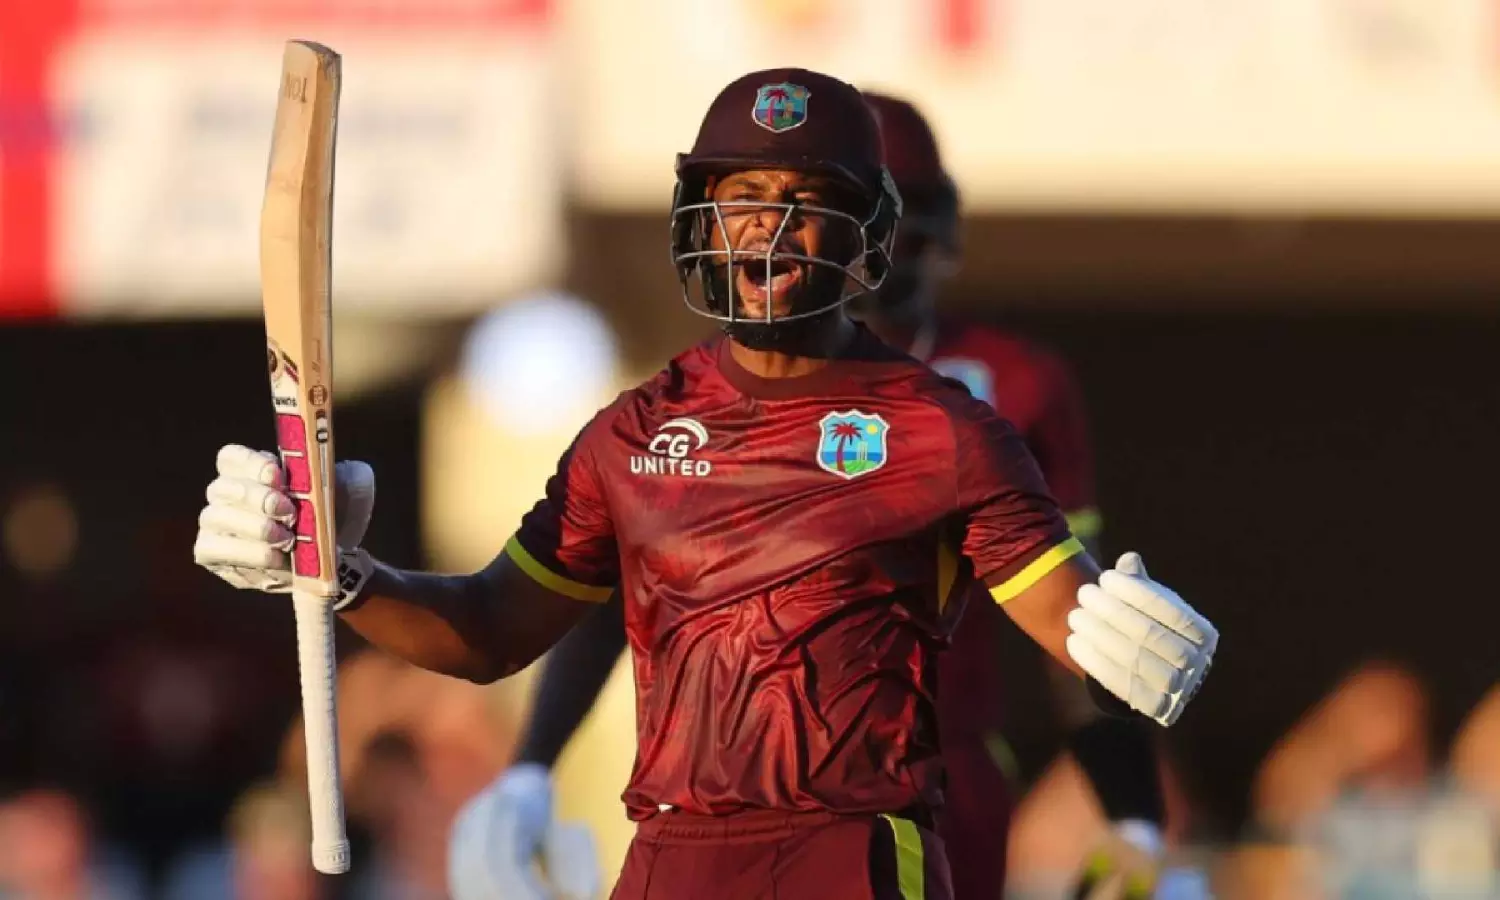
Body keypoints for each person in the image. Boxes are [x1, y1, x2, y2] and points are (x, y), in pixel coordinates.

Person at [194, 67, 1218, 899]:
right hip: (672, 857)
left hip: (854, 854)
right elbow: (491, 628)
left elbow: (1071, 625)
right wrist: (338, 572)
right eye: (743, 200)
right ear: (700, 218)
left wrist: (1133, 659)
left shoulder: (946, 429)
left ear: (865, 233)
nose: (768, 230)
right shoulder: (631, 432)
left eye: (806, 204)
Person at [445, 89, 1181, 900]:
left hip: (932, 776)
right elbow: (618, 582)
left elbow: (1082, 622)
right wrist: (532, 764)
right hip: (729, 807)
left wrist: (1133, 815)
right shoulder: (706, 395)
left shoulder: (1005, 390)